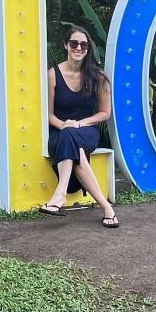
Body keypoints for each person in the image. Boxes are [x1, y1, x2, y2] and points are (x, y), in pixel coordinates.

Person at [39, 27, 119, 228]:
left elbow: (104, 113)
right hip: (59, 130)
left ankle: (60, 195)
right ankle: (106, 208)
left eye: (83, 44)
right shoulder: (53, 75)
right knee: (74, 147)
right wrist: (64, 124)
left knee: (72, 137)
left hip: (87, 130)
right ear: (66, 45)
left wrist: (81, 123)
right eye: (74, 43)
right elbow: (49, 115)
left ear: (88, 48)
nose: (78, 48)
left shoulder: (98, 76)